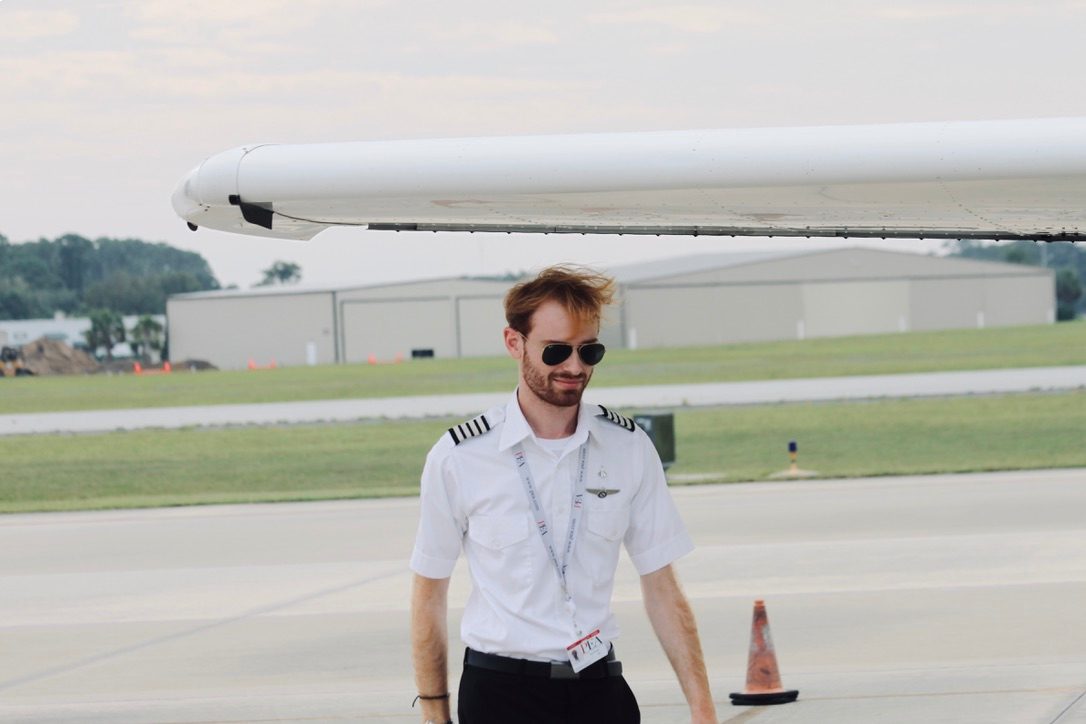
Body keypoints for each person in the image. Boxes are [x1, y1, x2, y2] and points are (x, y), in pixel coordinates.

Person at [410, 265, 718, 724]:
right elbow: (428, 594)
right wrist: (435, 712)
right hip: (500, 695)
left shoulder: (629, 448)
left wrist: (702, 708)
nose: (574, 367)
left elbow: (661, 587)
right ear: (514, 343)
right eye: (556, 351)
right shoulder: (460, 457)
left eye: (588, 351)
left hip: (600, 688)